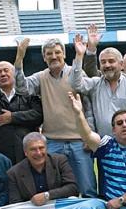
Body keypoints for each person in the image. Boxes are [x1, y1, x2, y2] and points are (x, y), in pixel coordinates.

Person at [15, 31, 99, 196]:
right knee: (59, 190)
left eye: (57, 52)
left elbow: (88, 106)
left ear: (64, 54)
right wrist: (19, 59)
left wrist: (89, 135)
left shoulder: (77, 74)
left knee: (87, 187)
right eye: (49, 54)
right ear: (44, 58)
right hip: (53, 142)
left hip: (79, 141)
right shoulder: (41, 77)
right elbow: (22, 88)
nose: (54, 56)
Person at [69, 38, 126, 136]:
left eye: (111, 61)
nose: (107, 65)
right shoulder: (95, 84)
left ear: (121, 65)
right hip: (102, 142)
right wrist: (79, 56)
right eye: (103, 62)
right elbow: (75, 84)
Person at [6, 132, 79, 205]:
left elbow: (72, 188)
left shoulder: (59, 161)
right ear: (25, 152)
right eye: (33, 149)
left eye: (41, 148)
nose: (38, 153)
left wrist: (47, 195)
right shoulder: (14, 173)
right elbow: (15, 203)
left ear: (46, 148)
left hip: (58, 208)